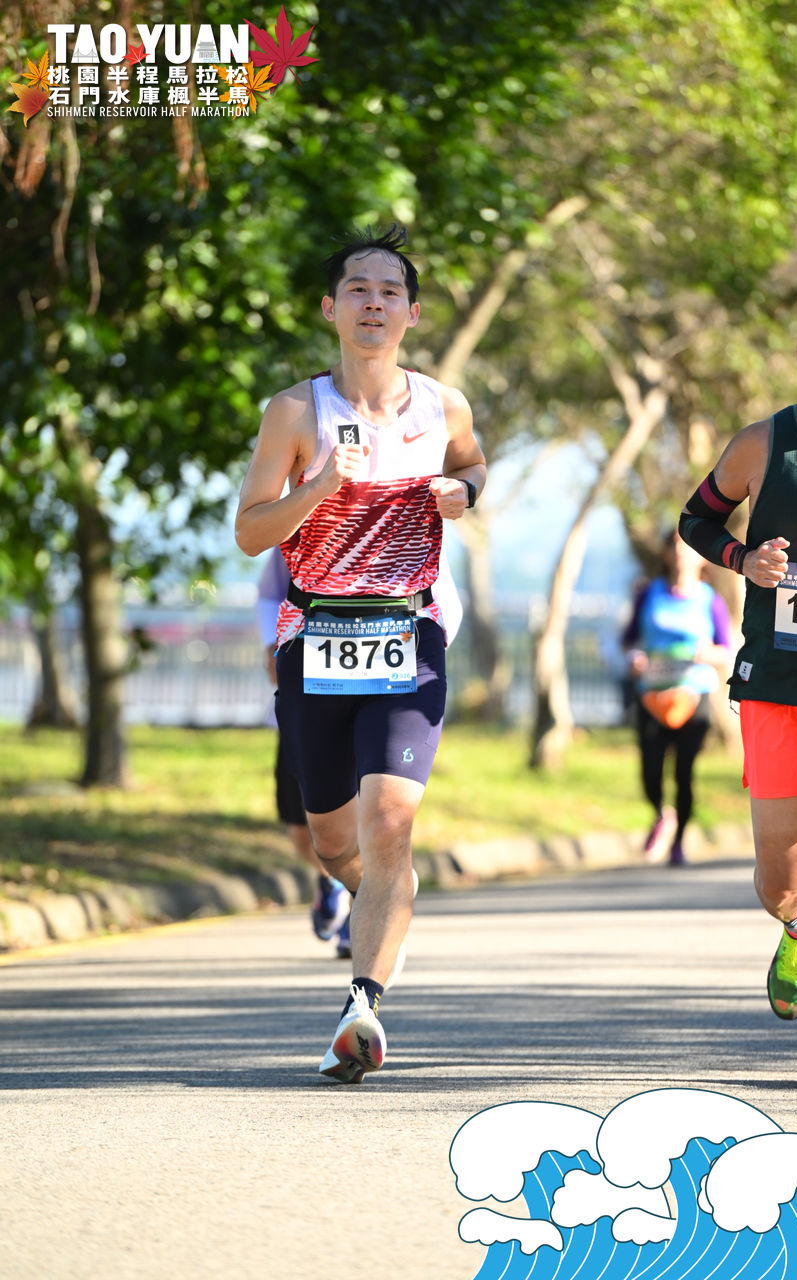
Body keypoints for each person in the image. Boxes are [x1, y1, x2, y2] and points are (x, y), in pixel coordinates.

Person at [234, 225, 486, 1084]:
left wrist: (463, 492)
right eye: (357, 289)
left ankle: (361, 1005)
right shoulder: (294, 412)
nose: (372, 303)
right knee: (334, 843)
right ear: (330, 308)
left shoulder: (442, 406)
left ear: (410, 314)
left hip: (409, 633)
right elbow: (250, 533)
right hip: (315, 639)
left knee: (389, 825)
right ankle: (378, 899)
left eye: (389, 292)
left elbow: (473, 464)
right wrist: (319, 487)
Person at [679, 288, 797, 1089]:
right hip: (778, 686)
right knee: (776, 880)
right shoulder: (763, 444)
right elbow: (695, 520)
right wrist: (742, 559)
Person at [256, 548, 352, 956]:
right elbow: (268, 594)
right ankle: (332, 880)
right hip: (304, 701)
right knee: (302, 831)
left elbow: (441, 598)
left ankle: (359, 916)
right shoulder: (300, 527)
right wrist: (271, 646)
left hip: (374, 704)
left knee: (372, 818)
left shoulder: (405, 522)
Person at [622, 529, 732, 866]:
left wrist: (707, 654)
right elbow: (628, 640)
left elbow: (726, 651)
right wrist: (634, 659)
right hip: (652, 695)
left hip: (693, 695)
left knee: (684, 773)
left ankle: (679, 841)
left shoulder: (710, 600)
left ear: (701, 557)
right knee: (650, 771)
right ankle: (661, 813)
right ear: (666, 553)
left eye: (688, 547)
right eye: (674, 546)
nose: (681, 552)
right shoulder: (648, 593)